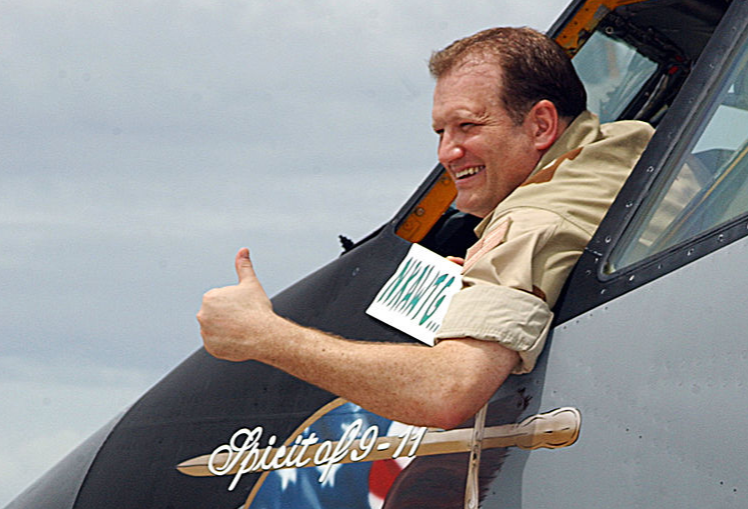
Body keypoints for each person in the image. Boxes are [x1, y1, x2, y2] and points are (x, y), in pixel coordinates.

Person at [197, 27, 653, 430]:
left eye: (468, 126)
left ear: (540, 124)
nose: (448, 153)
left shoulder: (536, 222)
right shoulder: (626, 151)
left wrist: (265, 335)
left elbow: (448, 391)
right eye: (441, 132)